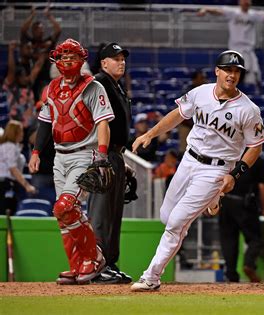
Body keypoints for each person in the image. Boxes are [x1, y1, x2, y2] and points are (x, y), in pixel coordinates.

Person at [130, 50, 264, 291]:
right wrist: (151, 134)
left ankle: (151, 277)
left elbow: (256, 146)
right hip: (188, 160)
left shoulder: (248, 109)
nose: (232, 75)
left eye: (236, 71)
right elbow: (178, 115)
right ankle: (213, 200)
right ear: (217, 71)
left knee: (176, 223)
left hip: (216, 169)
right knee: (166, 216)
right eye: (228, 69)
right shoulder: (200, 93)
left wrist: (234, 175)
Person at [28, 38, 115, 285]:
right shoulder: (51, 88)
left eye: (72, 56)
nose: (67, 61)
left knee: (64, 207)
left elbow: (103, 122)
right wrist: (36, 152)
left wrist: (101, 154)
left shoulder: (93, 86)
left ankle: (94, 259)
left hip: (84, 154)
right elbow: (45, 122)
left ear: (82, 59)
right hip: (59, 156)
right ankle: (77, 266)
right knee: (64, 215)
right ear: (56, 60)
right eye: (63, 56)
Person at [87, 42, 133, 284]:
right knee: (101, 213)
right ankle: (96, 266)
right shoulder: (99, 82)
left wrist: (121, 160)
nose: (121, 62)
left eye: (122, 58)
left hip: (115, 154)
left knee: (114, 214)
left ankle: (109, 264)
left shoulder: (114, 86)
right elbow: (94, 122)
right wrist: (101, 156)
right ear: (104, 63)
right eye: (115, 58)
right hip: (101, 154)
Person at [198, 0, 264, 86]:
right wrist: (206, 9)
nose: (246, 2)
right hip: (234, 51)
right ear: (240, 2)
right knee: (231, 77)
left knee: (251, 79)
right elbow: (218, 11)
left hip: (248, 51)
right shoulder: (233, 12)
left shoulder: (253, 14)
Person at [219, 155, 264, 283]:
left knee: (228, 240)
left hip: (225, 202)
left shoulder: (228, 154)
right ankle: (249, 264)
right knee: (256, 239)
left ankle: (231, 275)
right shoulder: (256, 159)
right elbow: (263, 186)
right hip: (245, 204)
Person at [20, 6, 62, 101]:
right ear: (33, 31)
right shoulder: (29, 42)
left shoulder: (47, 43)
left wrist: (49, 16)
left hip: (45, 77)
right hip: (29, 75)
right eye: (39, 29)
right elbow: (23, 30)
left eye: (42, 29)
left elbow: (58, 30)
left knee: (44, 100)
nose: (41, 31)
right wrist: (32, 15)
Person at [0, 120, 37, 215]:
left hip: (9, 184)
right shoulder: (9, 146)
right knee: (5, 213)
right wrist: (27, 185)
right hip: (4, 184)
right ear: (15, 132)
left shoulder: (13, 146)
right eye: (21, 131)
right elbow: (13, 169)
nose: (22, 134)